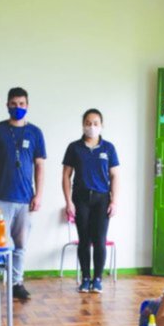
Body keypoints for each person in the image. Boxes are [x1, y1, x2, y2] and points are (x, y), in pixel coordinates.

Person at [0, 86, 46, 301]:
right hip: (0, 198)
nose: (17, 107)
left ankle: (16, 283)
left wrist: (38, 195)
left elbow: (40, 166)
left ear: (27, 106)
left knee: (20, 245)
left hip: (25, 200)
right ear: (7, 105)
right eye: (13, 104)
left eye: (21, 104)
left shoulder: (36, 133)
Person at [62, 108, 119, 294]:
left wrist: (114, 201)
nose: (91, 127)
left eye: (95, 123)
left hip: (102, 199)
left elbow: (115, 176)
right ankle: (85, 279)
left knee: (100, 240)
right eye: (88, 123)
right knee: (84, 240)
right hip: (80, 199)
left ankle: (98, 279)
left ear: (101, 126)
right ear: (83, 125)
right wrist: (68, 202)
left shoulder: (108, 148)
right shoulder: (74, 147)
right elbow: (66, 175)